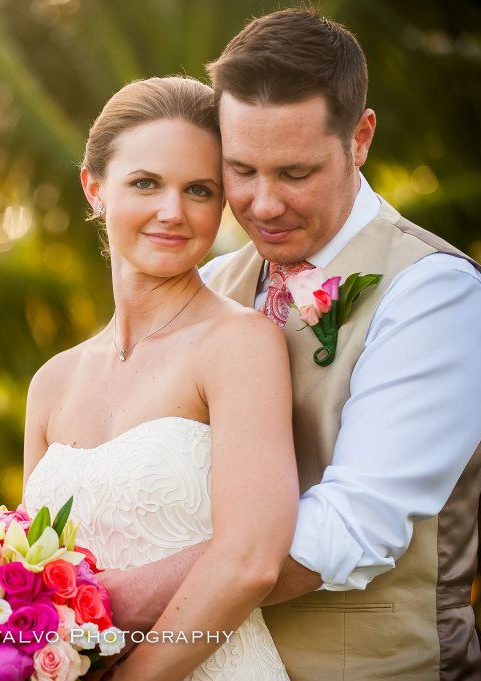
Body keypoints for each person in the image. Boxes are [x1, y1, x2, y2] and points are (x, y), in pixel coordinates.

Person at [100, 9, 481, 681]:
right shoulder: (210, 283)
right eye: (241, 170)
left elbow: (353, 523)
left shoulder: (436, 294)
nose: (263, 204)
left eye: (294, 173)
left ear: (360, 138)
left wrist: (109, 600)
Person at [21, 76, 299, 680]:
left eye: (199, 190)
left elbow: (252, 560)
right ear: (94, 188)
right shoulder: (51, 382)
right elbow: (33, 580)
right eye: (145, 183)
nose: (172, 212)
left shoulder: (240, 344)